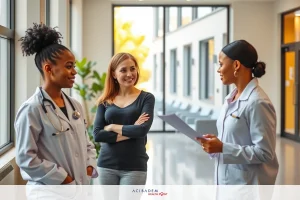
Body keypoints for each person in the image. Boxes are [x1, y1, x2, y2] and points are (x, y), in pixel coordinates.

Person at [15, 23, 98, 185]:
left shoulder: (75, 106)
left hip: (79, 188)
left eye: (73, 66)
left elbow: (87, 143)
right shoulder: (31, 109)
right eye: (69, 66)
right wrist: (63, 179)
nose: (74, 71)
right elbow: (26, 158)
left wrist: (88, 166)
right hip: (51, 191)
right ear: (49, 69)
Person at [196, 40, 279, 185]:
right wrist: (216, 145)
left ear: (236, 65)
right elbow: (235, 140)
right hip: (227, 181)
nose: (218, 69)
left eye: (221, 64)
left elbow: (265, 153)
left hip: (247, 186)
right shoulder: (231, 98)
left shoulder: (258, 102)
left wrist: (223, 147)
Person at [93, 52, 155, 186]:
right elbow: (97, 135)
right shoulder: (104, 101)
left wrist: (111, 127)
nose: (129, 74)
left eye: (132, 68)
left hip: (134, 167)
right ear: (114, 74)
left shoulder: (146, 98)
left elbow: (142, 130)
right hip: (106, 165)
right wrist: (132, 129)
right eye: (123, 70)